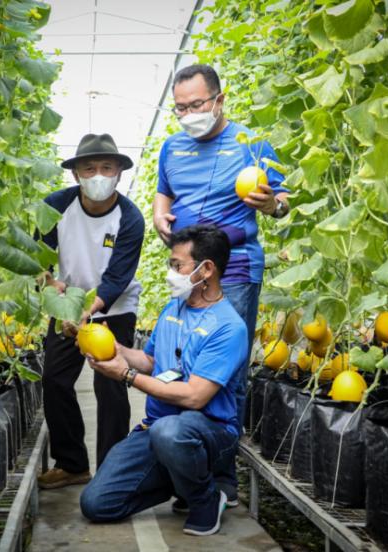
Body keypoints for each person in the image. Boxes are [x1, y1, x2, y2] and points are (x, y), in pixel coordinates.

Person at [151, 64, 290, 504]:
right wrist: (159, 215)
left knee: (228, 374)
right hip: (186, 269)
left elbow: (283, 201)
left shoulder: (251, 143)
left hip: (236, 270)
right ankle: (189, 469)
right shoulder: (172, 147)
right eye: (180, 108)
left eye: (196, 104)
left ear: (219, 100)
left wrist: (270, 205)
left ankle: (224, 477)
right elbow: (163, 193)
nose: (188, 114)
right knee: (184, 363)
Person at [80, 225, 247, 536]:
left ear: (206, 269)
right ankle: (181, 480)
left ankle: (205, 498)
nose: (171, 273)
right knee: (96, 504)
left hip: (208, 432)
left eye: (177, 265)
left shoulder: (228, 327)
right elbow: (151, 362)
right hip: (157, 430)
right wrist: (117, 351)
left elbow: (195, 396)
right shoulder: (173, 308)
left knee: (170, 432)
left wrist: (125, 375)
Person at [37, 133, 145, 490]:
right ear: (76, 174)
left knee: (111, 384)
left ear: (118, 173)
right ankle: (72, 464)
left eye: (107, 167)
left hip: (115, 309)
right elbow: (39, 257)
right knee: (54, 379)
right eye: (89, 168)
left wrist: (87, 311)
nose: (98, 175)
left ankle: (111, 472)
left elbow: (117, 277)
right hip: (67, 304)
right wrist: (52, 285)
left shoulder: (130, 218)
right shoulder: (55, 206)